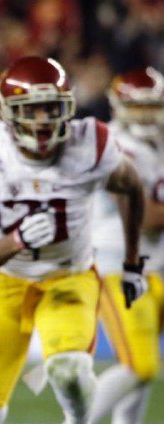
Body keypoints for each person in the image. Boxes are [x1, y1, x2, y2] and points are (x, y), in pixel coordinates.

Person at [0, 56, 147, 424]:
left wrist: (133, 260)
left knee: (70, 371)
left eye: (51, 108)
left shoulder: (91, 143)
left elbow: (133, 186)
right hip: (6, 283)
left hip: (68, 277)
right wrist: (15, 241)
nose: (42, 121)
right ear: (6, 113)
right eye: (31, 110)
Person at [91, 67, 164, 424]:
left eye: (154, 106)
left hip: (153, 265)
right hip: (117, 265)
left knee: (137, 362)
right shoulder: (114, 145)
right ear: (119, 107)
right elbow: (148, 217)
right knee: (141, 364)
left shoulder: (157, 145)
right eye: (139, 108)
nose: (148, 116)